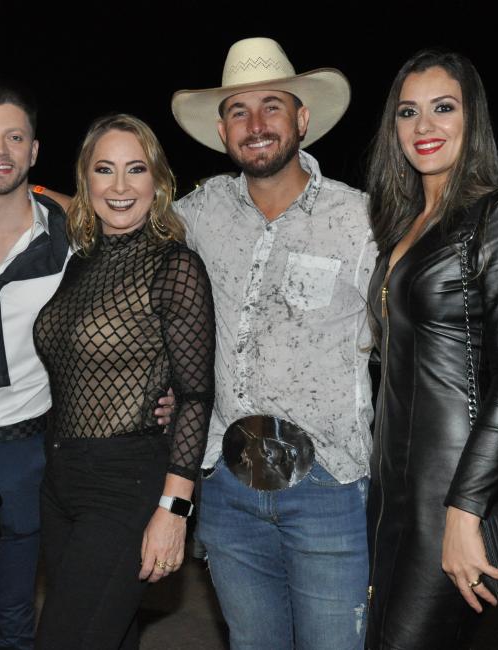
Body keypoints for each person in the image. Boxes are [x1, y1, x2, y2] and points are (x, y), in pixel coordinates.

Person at [0, 82, 175, 650]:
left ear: (33, 151)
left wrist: (164, 384)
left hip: (28, 453)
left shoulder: (73, 242)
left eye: (14, 137)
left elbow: (143, 299)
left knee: (14, 621)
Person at [171, 37, 378, 650]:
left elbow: (418, 337)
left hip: (330, 488)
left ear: (301, 119)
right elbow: (119, 220)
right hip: (227, 485)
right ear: (222, 131)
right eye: (239, 111)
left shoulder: (362, 221)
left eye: (272, 107)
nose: (256, 124)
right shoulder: (198, 214)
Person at [363, 50, 498, 647]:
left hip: (452, 486)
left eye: (443, 108)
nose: (424, 126)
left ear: (473, 118)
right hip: (390, 482)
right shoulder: (403, 224)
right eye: (408, 112)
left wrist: (466, 510)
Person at [32, 113, 214, 650]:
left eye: (135, 169)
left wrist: (174, 510)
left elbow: (196, 395)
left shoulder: (175, 267)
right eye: (104, 169)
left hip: (125, 483)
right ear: (85, 180)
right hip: (59, 479)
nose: (119, 186)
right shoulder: (81, 264)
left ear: (157, 180)